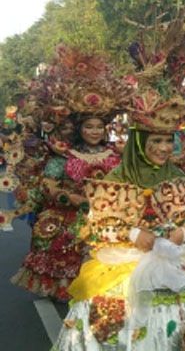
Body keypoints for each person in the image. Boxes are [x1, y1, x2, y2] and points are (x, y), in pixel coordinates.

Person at [55, 87, 185, 349]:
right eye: (156, 141)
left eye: (168, 141)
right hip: (123, 265)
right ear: (139, 143)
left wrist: (182, 234)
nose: (164, 148)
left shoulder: (175, 176)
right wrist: (133, 235)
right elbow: (97, 227)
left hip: (169, 264)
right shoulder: (115, 180)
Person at [9, 46, 130, 302]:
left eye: (99, 127)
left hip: (108, 215)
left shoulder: (116, 154)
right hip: (72, 213)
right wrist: (72, 199)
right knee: (57, 231)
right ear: (79, 129)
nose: (95, 132)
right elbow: (49, 186)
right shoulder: (64, 154)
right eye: (89, 126)